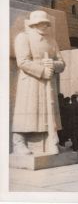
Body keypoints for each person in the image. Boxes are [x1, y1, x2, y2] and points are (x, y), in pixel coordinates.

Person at [12, 10, 65, 155]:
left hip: (49, 82)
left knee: (48, 115)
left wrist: (54, 65)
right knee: (27, 113)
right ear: (33, 24)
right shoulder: (23, 37)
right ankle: (19, 142)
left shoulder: (52, 41)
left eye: (46, 23)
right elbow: (22, 62)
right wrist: (42, 71)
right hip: (30, 81)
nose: (44, 26)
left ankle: (51, 141)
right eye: (41, 23)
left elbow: (62, 63)